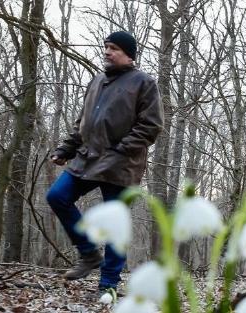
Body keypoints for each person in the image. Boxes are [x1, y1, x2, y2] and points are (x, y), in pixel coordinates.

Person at [46, 31, 163, 293]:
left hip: (122, 165)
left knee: (115, 224)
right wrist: (66, 149)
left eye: (114, 48)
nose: (107, 52)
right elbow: (84, 123)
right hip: (87, 159)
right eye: (106, 47)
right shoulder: (97, 81)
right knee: (57, 196)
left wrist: (121, 150)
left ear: (129, 55)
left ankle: (108, 284)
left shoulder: (144, 83)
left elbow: (151, 126)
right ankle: (88, 253)